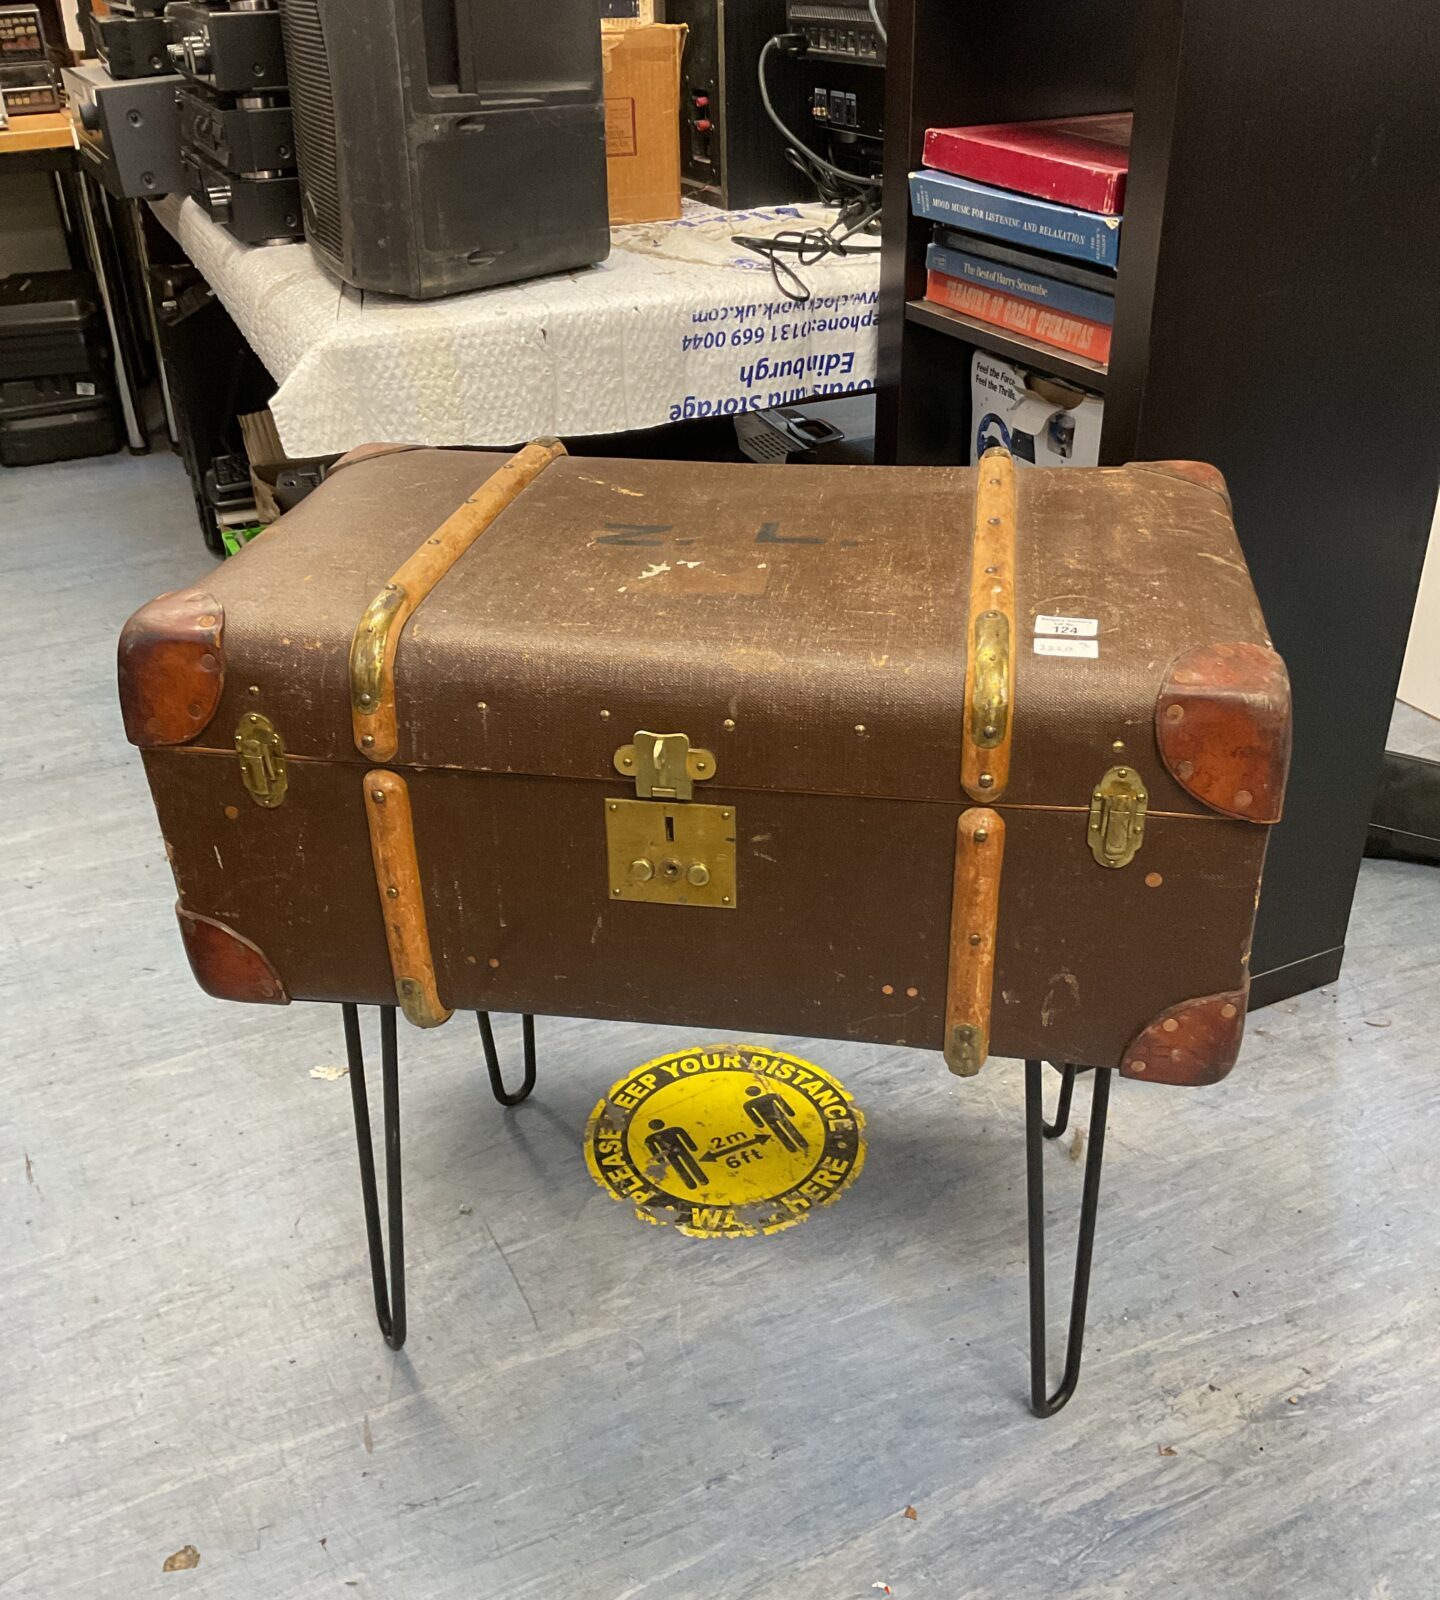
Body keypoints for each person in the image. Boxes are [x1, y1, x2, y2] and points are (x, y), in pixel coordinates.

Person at [644, 1118, 707, 1190]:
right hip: (672, 1153)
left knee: (688, 1164)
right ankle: (692, 1182)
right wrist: (692, 1147)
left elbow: (683, 1135)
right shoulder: (652, 1137)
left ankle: (698, 1180)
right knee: (682, 1167)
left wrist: (692, 1146)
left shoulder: (672, 1130)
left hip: (679, 1150)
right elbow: (652, 1148)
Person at [742, 1084, 808, 1154]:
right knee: (787, 1129)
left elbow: (752, 1114)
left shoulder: (749, 1103)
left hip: (771, 1118)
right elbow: (782, 1103)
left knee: (780, 1131)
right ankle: (798, 1144)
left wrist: (759, 1123)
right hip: (776, 1116)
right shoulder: (770, 1096)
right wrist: (790, 1112)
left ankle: (793, 1146)